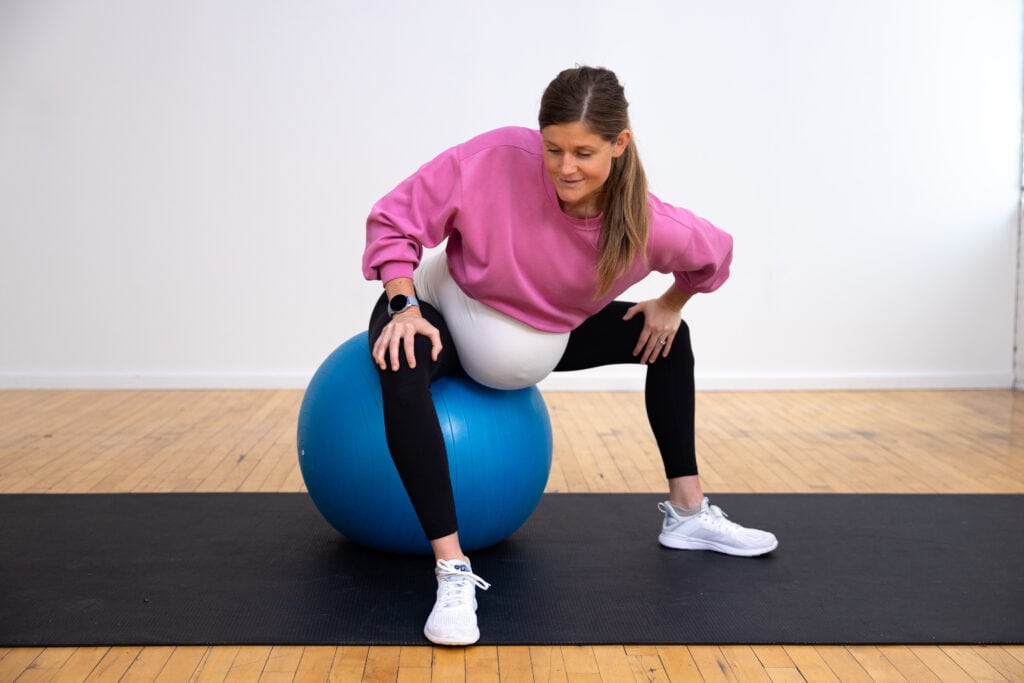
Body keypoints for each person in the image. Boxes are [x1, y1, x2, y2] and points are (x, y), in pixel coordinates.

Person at [362, 65, 777, 646]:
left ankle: (687, 513)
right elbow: (395, 218)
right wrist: (403, 305)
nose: (564, 167)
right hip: (442, 309)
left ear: (619, 144)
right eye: (552, 148)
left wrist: (671, 302)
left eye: (583, 152)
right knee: (401, 360)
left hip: (534, 339)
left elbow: (715, 255)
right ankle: (452, 569)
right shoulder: (494, 159)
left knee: (668, 339)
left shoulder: (647, 222)